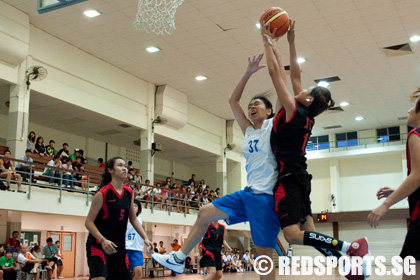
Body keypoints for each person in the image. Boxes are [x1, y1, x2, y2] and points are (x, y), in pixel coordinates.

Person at [153, 52, 281, 280]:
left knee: (263, 257)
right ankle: (178, 258)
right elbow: (233, 101)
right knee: (204, 213)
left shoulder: (274, 126)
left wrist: (276, 53)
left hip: (265, 198)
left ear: (269, 111)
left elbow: (282, 90)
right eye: (250, 105)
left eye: (257, 104)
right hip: (248, 194)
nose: (252, 107)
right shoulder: (249, 130)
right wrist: (248, 73)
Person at [262, 20, 368, 277]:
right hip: (301, 177)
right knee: (310, 231)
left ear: (308, 98)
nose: (303, 87)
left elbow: (277, 75)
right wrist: (290, 41)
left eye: (307, 89)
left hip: (289, 178)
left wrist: (266, 40)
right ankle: (347, 267)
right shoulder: (306, 113)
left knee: (293, 235)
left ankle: (350, 247)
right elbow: (295, 75)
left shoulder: (292, 109)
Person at [368, 88, 420, 278]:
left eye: (412, 106)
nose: (408, 111)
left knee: (410, 268)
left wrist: (385, 205)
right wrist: (398, 191)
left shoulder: (416, 134)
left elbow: (417, 176)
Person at [85, 157, 153, 280]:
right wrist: (103, 240)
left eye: (125, 166)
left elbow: (133, 219)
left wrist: (145, 238)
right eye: (120, 165)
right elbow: (88, 222)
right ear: (110, 170)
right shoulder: (102, 193)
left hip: (118, 248)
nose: (124, 168)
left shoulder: (129, 192)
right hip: (99, 245)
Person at [125, 199, 145, 280]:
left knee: (139, 271)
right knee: (122, 271)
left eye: (136, 206)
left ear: (139, 209)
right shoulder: (123, 219)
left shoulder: (141, 221)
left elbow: (144, 235)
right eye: (132, 205)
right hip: (124, 248)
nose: (134, 207)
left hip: (136, 249)